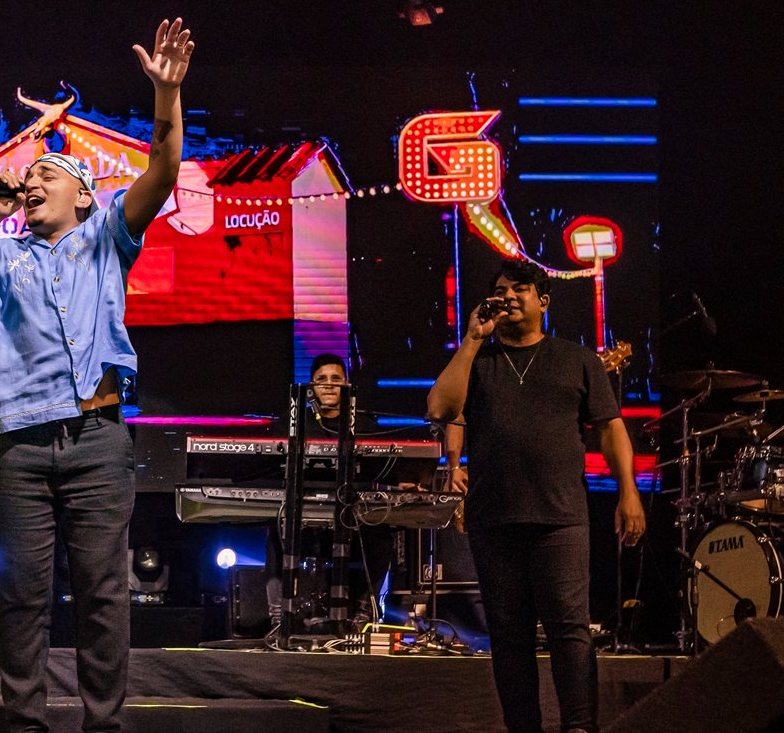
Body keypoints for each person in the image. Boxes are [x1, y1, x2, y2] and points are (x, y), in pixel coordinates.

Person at [0, 17, 195, 733]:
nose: (33, 181)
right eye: (30, 176)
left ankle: (102, 725)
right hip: (19, 444)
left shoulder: (106, 238)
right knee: (21, 591)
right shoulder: (2, 254)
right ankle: (26, 724)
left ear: (83, 196)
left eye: (49, 174)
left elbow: (164, 170)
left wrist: (165, 96)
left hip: (97, 440)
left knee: (103, 593)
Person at [427, 259, 645, 733]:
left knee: (570, 631)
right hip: (494, 518)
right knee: (509, 637)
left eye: (519, 290)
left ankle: (580, 726)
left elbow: (611, 429)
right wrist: (471, 339)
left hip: (562, 516)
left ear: (542, 301)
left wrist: (629, 492)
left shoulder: (577, 358)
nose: (508, 297)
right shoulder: (478, 360)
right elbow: (441, 408)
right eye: (501, 290)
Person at [267, 353, 398, 626]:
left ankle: (365, 610)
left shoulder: (364, 426)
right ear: (311, 386)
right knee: (275, 526)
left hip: (352, 511)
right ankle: (280, 615)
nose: (328, 385)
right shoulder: (293, 423)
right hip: (301, 506)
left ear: (347, 384)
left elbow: (388, 468)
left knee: (382, 532)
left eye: (335, 379)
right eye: (321, 380)